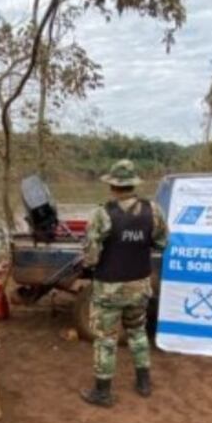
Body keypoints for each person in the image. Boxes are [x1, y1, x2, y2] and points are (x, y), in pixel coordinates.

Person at [80, 159, 168, 407]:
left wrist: (92, 263)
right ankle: (144, 382)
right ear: (133, 185)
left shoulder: (102, 214)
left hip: (109, 287)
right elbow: (162, 244)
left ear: (112, 186)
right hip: (139, 284)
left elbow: (90, 256)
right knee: (138, 332)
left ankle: (103, 392)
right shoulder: (154, 210)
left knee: (106, 339)